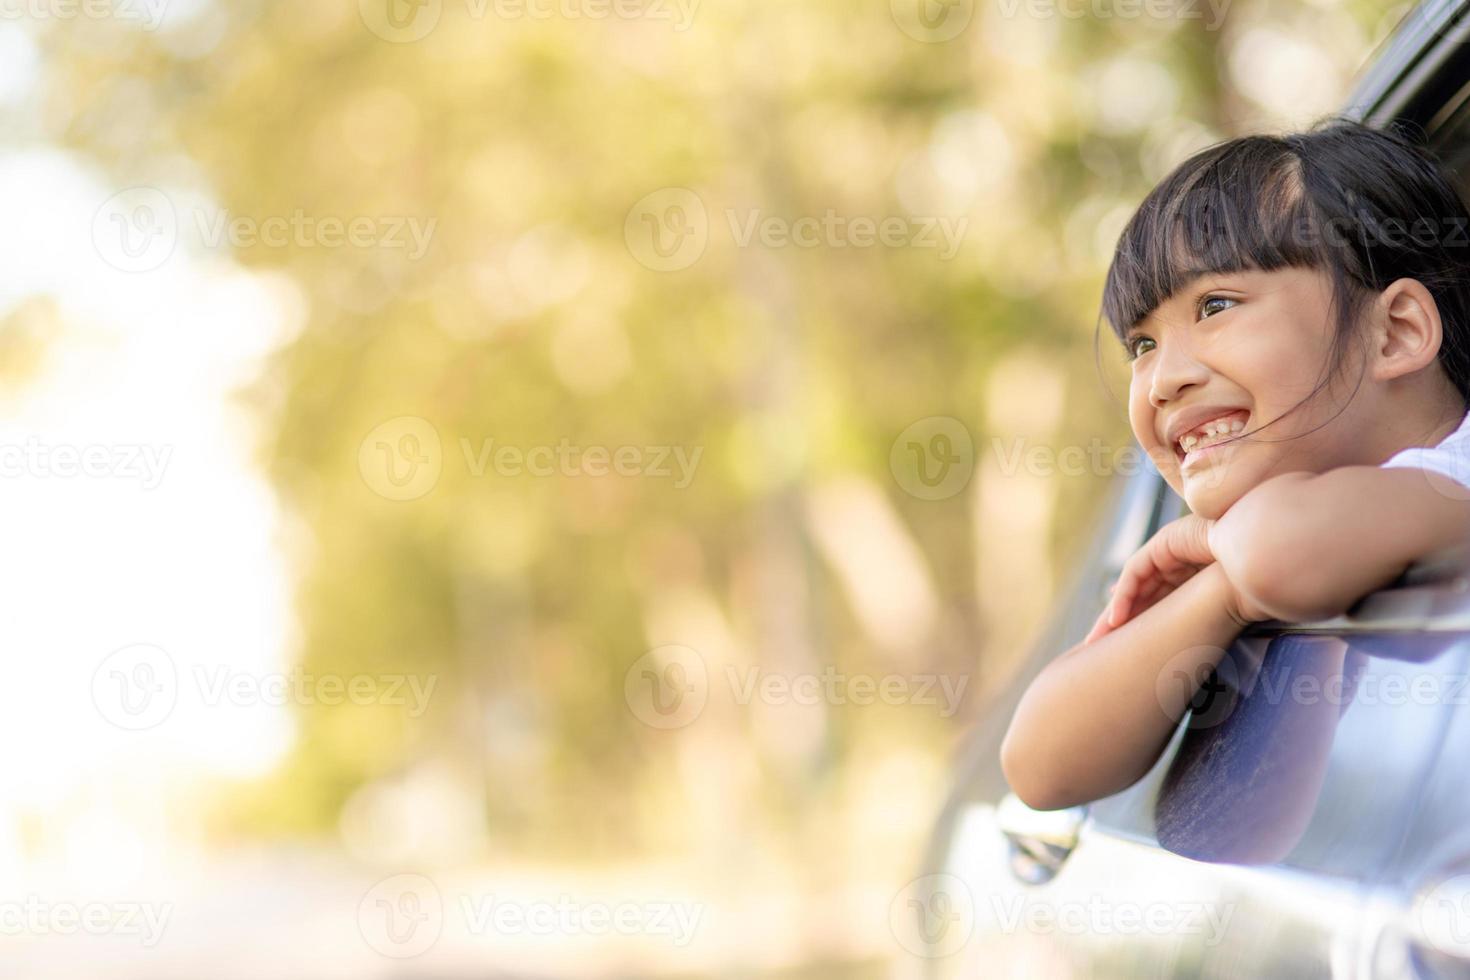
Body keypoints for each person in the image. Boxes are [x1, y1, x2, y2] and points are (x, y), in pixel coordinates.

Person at [999, 117, 1470, 812]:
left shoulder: (1448, 479)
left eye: (1215, 305)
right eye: (1141, 345)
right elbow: (1040, 766)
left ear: (1395, 332)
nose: (1161, 381)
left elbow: (1276, 552)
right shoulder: (1295, 536)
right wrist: (1216, 593)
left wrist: (1218, 559)